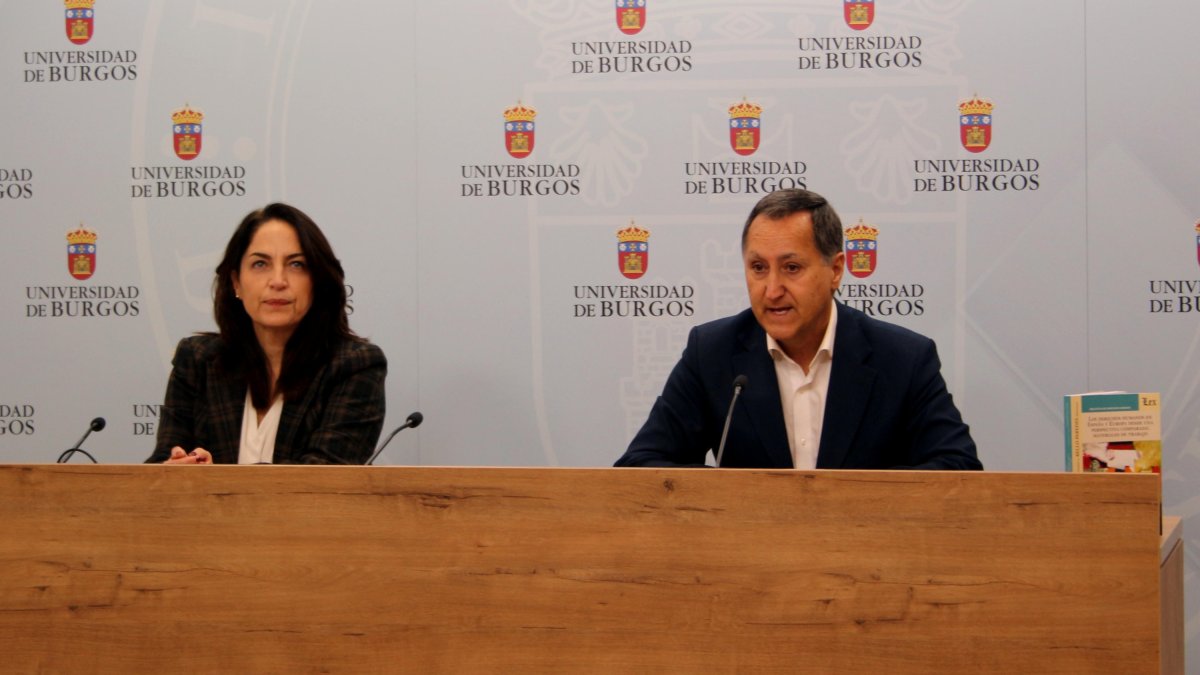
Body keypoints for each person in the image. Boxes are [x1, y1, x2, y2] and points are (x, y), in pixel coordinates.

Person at [615, 189, 981, 470]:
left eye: (791, 268)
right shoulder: (712, 352)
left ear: (835, 269)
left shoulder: (902, 358)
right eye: (758, 268)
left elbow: (958, 469)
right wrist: (726, 502)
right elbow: (640, 466)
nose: (772, 290)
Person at [147, 203, 386, 465]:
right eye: (260, 264)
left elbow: (321, 479)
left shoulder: (354, 366)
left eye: (296, 264)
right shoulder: (197, 360)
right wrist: (175, 469)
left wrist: (215, 480)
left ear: (317, 281)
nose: (278, 281)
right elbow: (164, 463)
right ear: (236, 282)